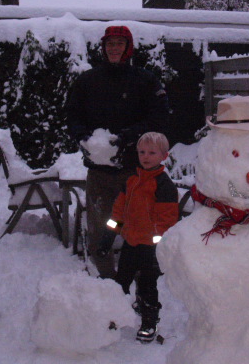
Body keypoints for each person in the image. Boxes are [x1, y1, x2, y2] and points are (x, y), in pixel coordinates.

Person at [65, 25, 170, 278]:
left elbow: (159, 117)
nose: (114, 48)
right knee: (101, 227)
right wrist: (83, 137)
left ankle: (139, 274)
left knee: (137, 225)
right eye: (110, 44)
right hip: (99, 172)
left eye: (119, 44)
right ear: (104, 47)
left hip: (135, 171)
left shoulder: (145, 80)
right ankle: (105, 278)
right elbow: (72, 113)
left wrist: (128, 136)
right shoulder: (87, 81)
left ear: (128, 47)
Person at [97, 132, 179, 342]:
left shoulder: (164, 186)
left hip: (149, 248)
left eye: (152, 152)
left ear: (164, 156)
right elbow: (119, 212)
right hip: (131, 243)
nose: (146, 156)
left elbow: (166, 221)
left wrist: (158, 247)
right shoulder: (131, 181)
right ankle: (114, 316)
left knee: (147, 285)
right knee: (120, 282)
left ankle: (149, 321)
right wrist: (109, 236)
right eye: (142, 152)